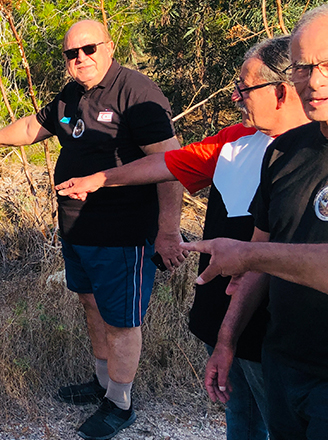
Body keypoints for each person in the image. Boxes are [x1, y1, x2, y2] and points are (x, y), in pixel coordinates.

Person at [54, 35, 309, 440]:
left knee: (285, 421)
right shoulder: (233, 140)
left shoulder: (314, 153)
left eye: (244, 89)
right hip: (222, 317)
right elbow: (167, 164)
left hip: (280, 329)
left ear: (282, 91)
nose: (236, 98)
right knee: (239, 415)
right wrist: (101, 178)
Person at [0, 20, 186, 440]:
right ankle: (102, 383)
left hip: (123, 234)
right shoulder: (73, 95)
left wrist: (168, 231)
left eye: (89, 48)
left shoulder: (137, 92)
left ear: (109, 46)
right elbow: (33, 127)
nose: (81, 58)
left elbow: (172, 166)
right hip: (78, 230)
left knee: (122, 320)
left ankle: (120, 404)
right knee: (92, 305)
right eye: (72, 53)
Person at [205, 6, 328, 438]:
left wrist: (245, 253)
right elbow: (258, 258)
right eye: (303, 67)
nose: (313, 80)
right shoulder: (284, 151)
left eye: (327, 64)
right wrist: (226, 339)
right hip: (284, 361)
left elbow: (254, 253)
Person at [181, 238, 328, 294]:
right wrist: (226, 339)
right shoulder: (277, 169)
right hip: (278, 342)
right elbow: (261, 236)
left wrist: (245, 255)